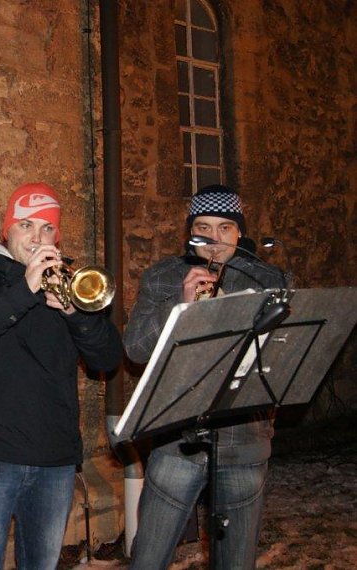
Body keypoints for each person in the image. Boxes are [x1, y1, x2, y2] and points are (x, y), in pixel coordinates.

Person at [0, 182, 123, 570]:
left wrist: (75, 314)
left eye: (47, 228)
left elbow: (107, 358)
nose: (38, 238)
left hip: (54, 459)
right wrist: (24, 290)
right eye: (26, 225)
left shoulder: (72, 284)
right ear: (7, 230)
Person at [124, 184, 290, 569]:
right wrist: (180, 307)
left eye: (224, 228)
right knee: (149, 556)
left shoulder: (267, 279)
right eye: (203, 228)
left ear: (239, 233)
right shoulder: (163, 276)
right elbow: (134, 348)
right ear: (190, 233)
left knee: (236, 560)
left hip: (243, 438)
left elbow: (285, 355)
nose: (214, 240)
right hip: (177, 438)